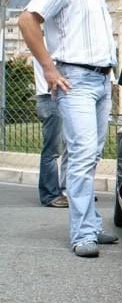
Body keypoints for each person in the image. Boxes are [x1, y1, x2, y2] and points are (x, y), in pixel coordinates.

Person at [19, 0, 121, 258]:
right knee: (82, 153)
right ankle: (82, 234)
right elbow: (27, 20)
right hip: (75, 79)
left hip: (102, 81)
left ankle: (89, 223)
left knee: (91, 155)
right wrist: (49, 68)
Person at [33, 54, 69, 208]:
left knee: (57, 148)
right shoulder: (49, 45)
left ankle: (59, 192)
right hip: (50, 99)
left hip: (50, 99)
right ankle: (50, 196)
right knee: (51, 151)